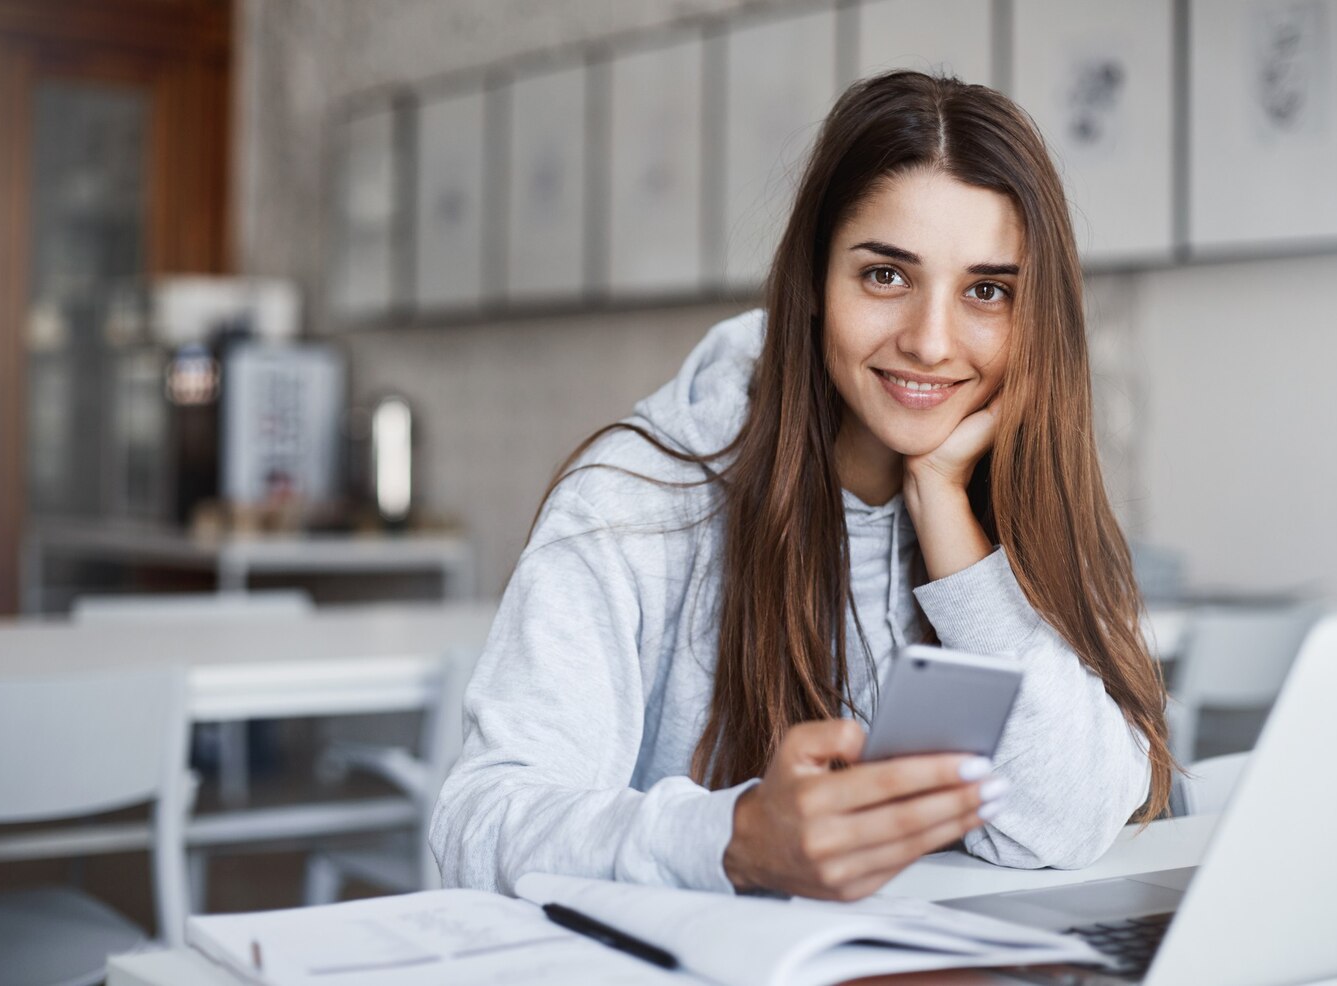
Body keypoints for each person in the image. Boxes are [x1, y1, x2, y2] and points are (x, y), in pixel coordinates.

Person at [430, 71, 1174, 901]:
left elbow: (1069, 820)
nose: (931, 343)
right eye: (886, 275)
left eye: (987, 291)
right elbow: (480, 823)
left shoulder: (1022, 510)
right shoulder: (633, 501)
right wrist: (730, 840)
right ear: (814, 284)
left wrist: (949, 528)